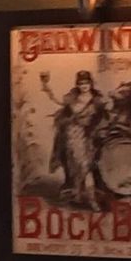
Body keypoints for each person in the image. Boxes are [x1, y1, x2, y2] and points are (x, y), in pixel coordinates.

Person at [41, 69, 108, 210]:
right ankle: (90, 200)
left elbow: (106, 112)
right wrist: (46, 86)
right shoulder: (72, 97)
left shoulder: (98, 99)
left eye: (86, 83)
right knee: (82, 167)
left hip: (91, 136)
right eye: (81, 83)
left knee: (89, 167)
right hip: (74, 135)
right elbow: (58, 100)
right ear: (77, 84)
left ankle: (80, 195)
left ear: (91, 83)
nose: (84, 86)